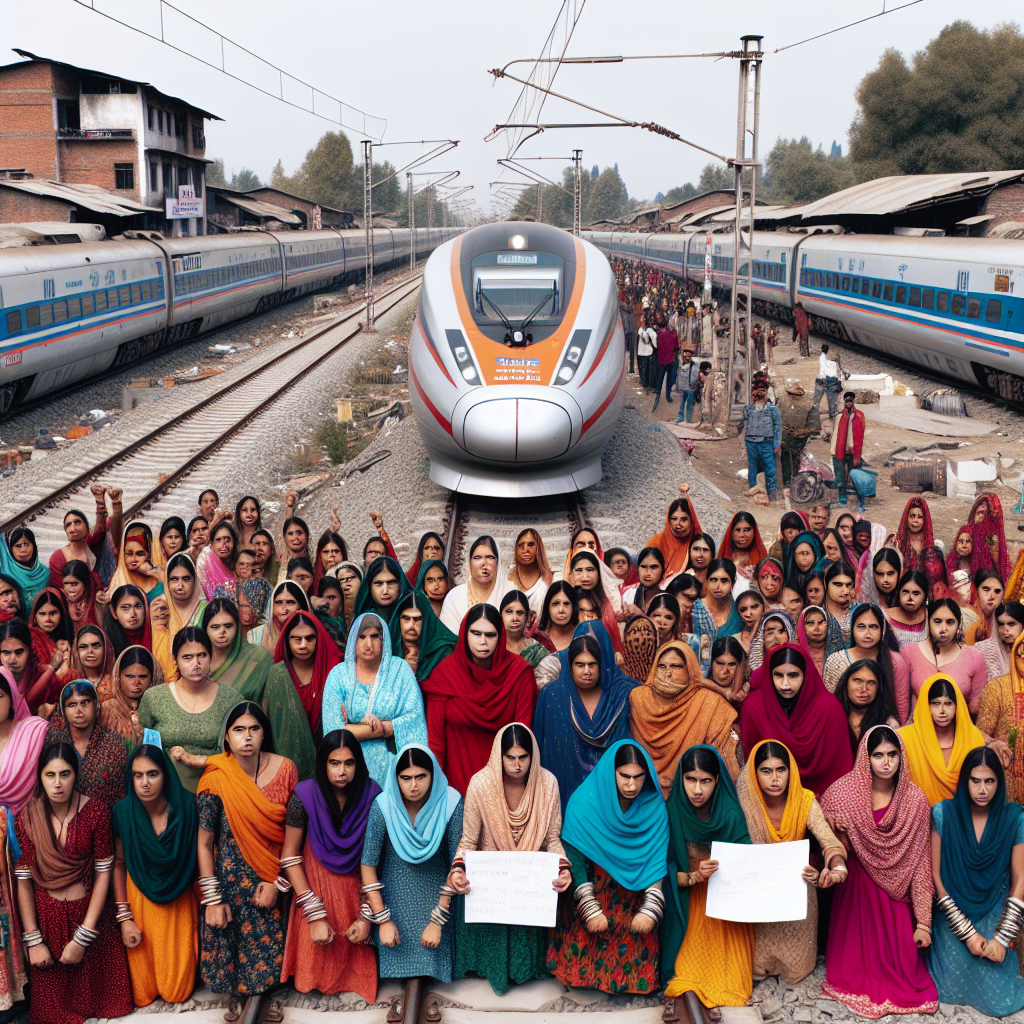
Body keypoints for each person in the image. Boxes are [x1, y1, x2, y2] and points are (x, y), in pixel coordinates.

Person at [819, 726, 937, 1016]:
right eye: (878, 755)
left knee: (904, 975)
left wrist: (923, 922)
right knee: (853, 974)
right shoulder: (841, 794)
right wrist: (839, 834)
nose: (886, 762)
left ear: (901, 757)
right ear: (865, 758)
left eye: (892, 754)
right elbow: (826, 839)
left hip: (896, 893)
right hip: (856, 890)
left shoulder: (915, 801)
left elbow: (921, 861)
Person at [16, 739, 133, 1024]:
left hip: (93, 927)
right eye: (50, 775)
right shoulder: (28, 818)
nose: (57, 784)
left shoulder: (96, 813)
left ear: (76, 776)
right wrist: (34, 941)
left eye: (65, 774)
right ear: (40, 777)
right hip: (48, 929)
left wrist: (83, 937)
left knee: (113, 1009)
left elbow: (104, 872)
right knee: (51, 1016)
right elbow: (24, 882)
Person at [448, 724, 570, 995]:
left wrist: (563, 869)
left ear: (533, 756)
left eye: (523, 757)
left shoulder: (547, 784)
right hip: (492, 885)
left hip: (530, 884)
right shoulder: (481, 784)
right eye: (510, 758)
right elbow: (469, 841)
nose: (517, 765)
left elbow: (552, 838)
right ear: (499, 756)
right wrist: (458, 870)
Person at [196, 701, 297, 1024]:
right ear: (227, 737)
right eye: (239, 730)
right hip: (228, 883)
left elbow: (297, 838)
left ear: (264, 733)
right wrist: (213, 900)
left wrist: (279, 886)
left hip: (271, 880)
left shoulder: (285, 770)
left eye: (254, 728)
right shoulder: (217, 776)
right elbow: (204, 843)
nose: (247, 736)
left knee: (269, 972)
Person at [549, 741, 669, 994]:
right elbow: (575, 858)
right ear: (610, 772)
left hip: (635, 895)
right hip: (594, 889)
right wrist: (589, 907)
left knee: (636, 930)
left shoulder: (655, 806)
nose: (631, 785)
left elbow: (657, 860)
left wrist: (651, 907)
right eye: (624, 776)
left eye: (639, 777)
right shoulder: (584, 802)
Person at [280, 731, 381, 1002]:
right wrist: (313, 914)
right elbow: (290, 857)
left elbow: (379, 861)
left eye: (349, 763)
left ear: (358, 764)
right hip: (313, 888)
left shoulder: (373, 796)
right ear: (323, 764)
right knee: (315, 971)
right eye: (334, 763)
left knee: (357, 964)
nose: (341, 771)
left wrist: (366, 917)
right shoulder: (304, 795)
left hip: (356, 889)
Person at [737, 740, 847, 984]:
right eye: (766, 771)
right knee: (751, 967)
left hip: (797, 894)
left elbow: (829, 842)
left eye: (781, 770)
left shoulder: (804, 801)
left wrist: (837, 867)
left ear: (791, 771)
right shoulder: (744, 805)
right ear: (754, 774)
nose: (774, 779)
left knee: (797, 971)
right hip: (757, 895)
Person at [358, 743, 463, 992]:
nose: (413, 786)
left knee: (432, 962)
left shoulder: (451, 803)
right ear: (396, 778)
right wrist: (383, 920)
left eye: (420, 777)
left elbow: (458, 865)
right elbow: (368, 866)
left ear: (433, 775)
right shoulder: (383, 806)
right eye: (405, 778)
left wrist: (437, 921)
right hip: (393, 903)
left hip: (440, 901)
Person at [928, 747, 1024, 1017]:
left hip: (995, 911)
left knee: (1001, 1001)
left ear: (999, 782)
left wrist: (1002, 939)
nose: (982, 789)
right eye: (975, 780)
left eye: (990, 781)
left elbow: (1021, 880)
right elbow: (937, 878)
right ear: (965, 780)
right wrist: (967, 933)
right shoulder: (943, 815)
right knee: (945, 989)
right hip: (953, 912)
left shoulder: (1015, 818)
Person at [661, 745, 754, 1011]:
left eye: (706, 781)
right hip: (688, 903)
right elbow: (662, 871)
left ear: (717, 780)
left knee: (733, 983)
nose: (697, 790)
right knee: (684, 975)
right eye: (690, 780)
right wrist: (693, 876)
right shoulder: (672, 811)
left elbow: (746, 864)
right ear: (681, 779)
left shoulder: (730, 814)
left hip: (725, 907)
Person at [111, 743, 198, 1007]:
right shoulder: (123, 812)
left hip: (179, 897)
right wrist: (125, 918)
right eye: (137, 776)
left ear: (166, 774)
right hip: (139, 897)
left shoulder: (187, 807)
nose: (144, 783)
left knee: (177, 992)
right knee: (144, 994)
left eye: (152, 774)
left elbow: (203, 855)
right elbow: (119, 863)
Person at [421, 604, 536, 796]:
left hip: (505, 787)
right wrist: (440, 795)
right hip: (454, 788)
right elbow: (436, 743)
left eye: (490, 635)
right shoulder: (444, 675)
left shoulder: (519, 674)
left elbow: (522, 737)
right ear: (464, 634)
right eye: (476, 633)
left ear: (500, 636)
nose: (483, 641)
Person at [534, 624, 639, 812]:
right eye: (580, 665)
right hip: (566, 797)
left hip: (615, 798)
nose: (587, 672)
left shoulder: (625, 694)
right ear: (570, 665)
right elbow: (543, 750)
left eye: (592, 664)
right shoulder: (553, 697)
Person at [321, 612, 427, 787]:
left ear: (383, 639)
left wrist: (376, 728)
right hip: (348, 770)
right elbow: (332, 732)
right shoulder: (339, 675)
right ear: (353, 640)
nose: (368, 644)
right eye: (361, 637)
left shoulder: (400, 670)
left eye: (374, 636)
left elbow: (414, 718)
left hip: (393, 768)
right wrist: (379, 730)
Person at [136, 627, 244, 794]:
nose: (196, 664)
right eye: (187, 657)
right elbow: (142, 749)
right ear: (175, 660)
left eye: (202, 655)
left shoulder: (230, 699)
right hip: (166, 793)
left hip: (218, 790)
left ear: (210, 657)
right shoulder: (154, 698)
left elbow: (242, 751)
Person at [629, 639, 740, 798]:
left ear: (690, 670)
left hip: (696, 793)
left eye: (676, 666)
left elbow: (721, 763)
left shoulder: (710, 703)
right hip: (641, 790)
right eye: (662, 666)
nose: (668, 672)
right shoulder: (639, 699)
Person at [740, 644, 853, 796]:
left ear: (805, 675)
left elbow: (840, 770)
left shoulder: (830, 710)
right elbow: (752, 763)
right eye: (778, 675)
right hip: (770, 798)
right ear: (769, 674)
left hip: (824, 801)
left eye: (793, 675)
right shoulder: (754, 708)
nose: (785, 684)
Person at [899, 675, 985, 806]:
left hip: (963, 817)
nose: (942, 711)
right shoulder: (905, 738)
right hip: (919, 817)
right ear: (925, 705)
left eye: (948, 703)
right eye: (936, 703)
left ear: (957, 706)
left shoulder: (973, 738)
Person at [45, 680, 127, 807]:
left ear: (96, 705)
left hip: (105, 819)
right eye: (72, 704)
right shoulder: (54, 742)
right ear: (63, 710)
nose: (79, 711)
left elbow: (120, 792)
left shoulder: (113, 743)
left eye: (85, 703)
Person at [823, 603, 910, 723]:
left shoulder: (895, 662)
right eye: (861, 626)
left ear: (882, 631)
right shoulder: (836, 661)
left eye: (873, 627)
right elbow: (829, 705)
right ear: (852, 629)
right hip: (842, 726)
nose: (867, 633)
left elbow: (902, 709)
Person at [904, 599, 987, 715]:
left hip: (958, 729)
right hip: (917, 729)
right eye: (937, 621)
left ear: (959, 624)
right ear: (928, 622)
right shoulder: (909, 652)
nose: (943, 629)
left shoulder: (974, 657)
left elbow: (976, 708)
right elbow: (901, 701)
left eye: (950, 622)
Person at [269, 610, 340, 739]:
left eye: (309, 639)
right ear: (287, 641)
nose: (303, 645)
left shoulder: (332, 671)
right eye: (297, 639)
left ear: (318, 638)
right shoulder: (278, 675)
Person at [47, 488, 120, 592]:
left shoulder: (92, 547)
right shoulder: (58, 557)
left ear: (86, 527)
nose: (73, 528)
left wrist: (101, 502)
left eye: (77, 523)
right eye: (68, 525)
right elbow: (58, 589)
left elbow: (101, 531)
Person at [440, 537, 511, 632]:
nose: (484, 564)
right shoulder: (454, 597)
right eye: (477, 558)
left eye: (490, 557)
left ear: (498, 563)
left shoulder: (510, 595)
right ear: (470, 564)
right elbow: (447, 638)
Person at [100, 646, 163, 749]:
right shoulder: (107, 710)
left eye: (143, 677)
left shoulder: (160, 709)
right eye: (130, 677)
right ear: (118, 677)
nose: (136, 683)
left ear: (152, 678)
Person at [834, 659, 901, 754]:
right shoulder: (831, 717)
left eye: (871, 683)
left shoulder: (888, 725)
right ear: (846, 683)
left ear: (879, 688)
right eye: (858, 681)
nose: (864, 689)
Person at [738, 377, 781, 499]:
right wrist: (752, 400)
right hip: (751, 443)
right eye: (756, 390)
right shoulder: (750, 409)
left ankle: (772, 490)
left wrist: (777, 445)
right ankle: (753, 487)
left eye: (761, 391)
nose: (759, 394)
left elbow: (778, 428)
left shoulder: (773, 409)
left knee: (770, 467)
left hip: (766, 443)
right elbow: (745, 416)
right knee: (753, 467)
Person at [645, 493, 702, 578]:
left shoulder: (699, 545)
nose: (678, 524)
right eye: (674, 519)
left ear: (692, 521)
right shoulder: (657, 542)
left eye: (684, 519)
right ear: (668, 520)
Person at [778, 382, 820, 489]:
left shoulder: (809, 407)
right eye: (791, 394)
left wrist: (802, 432)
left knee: (796, 460)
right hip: (785, 437)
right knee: (785, 460)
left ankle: (796, 482)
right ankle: (787, 483)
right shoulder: (783, 404)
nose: (794, 397)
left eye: (796, 395)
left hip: (799, 440)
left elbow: (815, 428)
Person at [1, 526, 50, 614]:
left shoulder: (45, 572)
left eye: (27, 544)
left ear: (34, 546)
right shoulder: (5, 574)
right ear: (10, 549)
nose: (24, 550)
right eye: (18, 546)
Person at [507, 528, 556, 616]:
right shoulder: (506, 581)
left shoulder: (552, 581)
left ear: (539, 549)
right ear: (516, 550)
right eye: (521, 545)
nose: (526, 550)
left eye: (530, 545)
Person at [831, 392, 866, 510]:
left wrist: (857, 453)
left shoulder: (859, 416)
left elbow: (860, 435)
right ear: (844, 402)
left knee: (855, 476)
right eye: (847, 401)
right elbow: (835, 434)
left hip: (853, 451)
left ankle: (860, 501)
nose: (849, 403)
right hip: (840, 450)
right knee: (840, 476)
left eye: (850, 401)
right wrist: (833, 450)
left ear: (853, 402)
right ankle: (842, 499)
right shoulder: (839, 416)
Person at [966, 493, 1012, 582]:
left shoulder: (993, 536)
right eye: (979, 512)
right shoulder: (968, 531)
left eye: (984, 512)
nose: (980, 516)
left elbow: (997, 561)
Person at [719, 512, 769, 589]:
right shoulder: (724, 558)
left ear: (754, 533)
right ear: (732, 533)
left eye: (746, 530)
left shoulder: (761, 560)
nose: (742, 535)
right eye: (738, 530)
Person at [102, 584, 152, 659]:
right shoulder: (107, 644)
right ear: (113, 612)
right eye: (125, 608)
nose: (133, 614)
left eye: (138, 606)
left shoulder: (155, 636)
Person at [886, 569, 930, 648]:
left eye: (916, 593)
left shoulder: (931, 618)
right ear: (898, 593)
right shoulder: (885, 617)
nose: (910, 598)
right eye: (905, 592)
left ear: (925, 596)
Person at [893, 497, 934, 574]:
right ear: (906, 519)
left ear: (925, 520)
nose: (915, 521)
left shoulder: (931, 546)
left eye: (919, 517)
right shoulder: (896, 542)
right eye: (912, 516)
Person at [964, 568, 1004, 646]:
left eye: (997, 591)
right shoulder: (970, 632)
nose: (991, 596)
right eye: (986, 590)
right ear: (976, 592)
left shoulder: (1010, 629)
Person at [652, 316, 678, 410]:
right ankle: (667, 396)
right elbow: (677, 347)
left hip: (662, 360)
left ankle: (658, 397)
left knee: (660, 378)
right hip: (670, 359)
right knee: (669, 380)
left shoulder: (660, 334)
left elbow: (658, 345)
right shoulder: (673, 335)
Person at [812, 343, 843, 421]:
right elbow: (838, 374)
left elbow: (822, 370)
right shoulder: (834, 363)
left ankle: (813, 416)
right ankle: (833, 415)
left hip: (820, 379)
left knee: (816, 401)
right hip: (831, 380)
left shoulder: (822, 358)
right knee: (832, 400)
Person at [675, 349, 702, 424]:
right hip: (682, 386)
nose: (687, 354)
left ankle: (688, 419)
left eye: (689, 353)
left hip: (690, 387)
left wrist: (694, 384)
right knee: (682, 403)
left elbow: (695, 375)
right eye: (686, 353)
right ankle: (680, 418)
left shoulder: (694, 365)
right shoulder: (679, 364)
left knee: (690, 403)